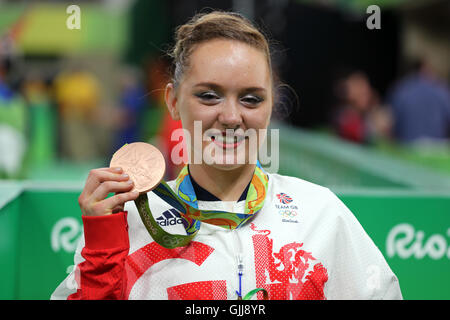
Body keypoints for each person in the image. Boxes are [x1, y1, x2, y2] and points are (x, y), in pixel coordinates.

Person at [51, 11, 402, 300]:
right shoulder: (129, 222)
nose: (232, 117)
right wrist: (101, 256)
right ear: (172, 100)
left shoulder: (321, 215)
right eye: (208, 96)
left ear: (271, 106)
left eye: (251, 98)